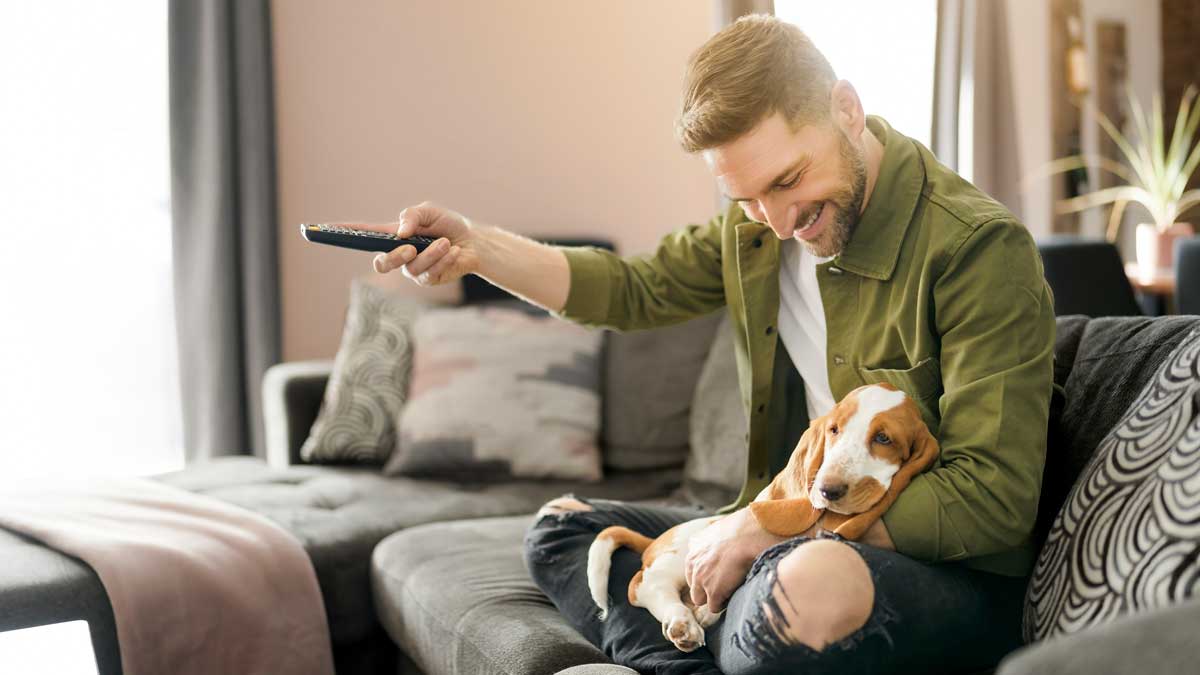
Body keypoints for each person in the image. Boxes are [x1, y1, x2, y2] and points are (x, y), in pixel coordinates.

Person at [367, 14, 1054, 675]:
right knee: (560, 532)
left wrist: (777, 532)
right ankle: (703, 646)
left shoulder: (976, 249)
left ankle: (717, 627)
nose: (780, 223)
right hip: (781, 529)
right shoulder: (752, 230)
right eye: (747, 197)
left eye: (788, 180)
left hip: (941, 575)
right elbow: (630, 290)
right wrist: (476, 247)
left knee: (802, 587)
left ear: (846, 108)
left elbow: (994, 496)